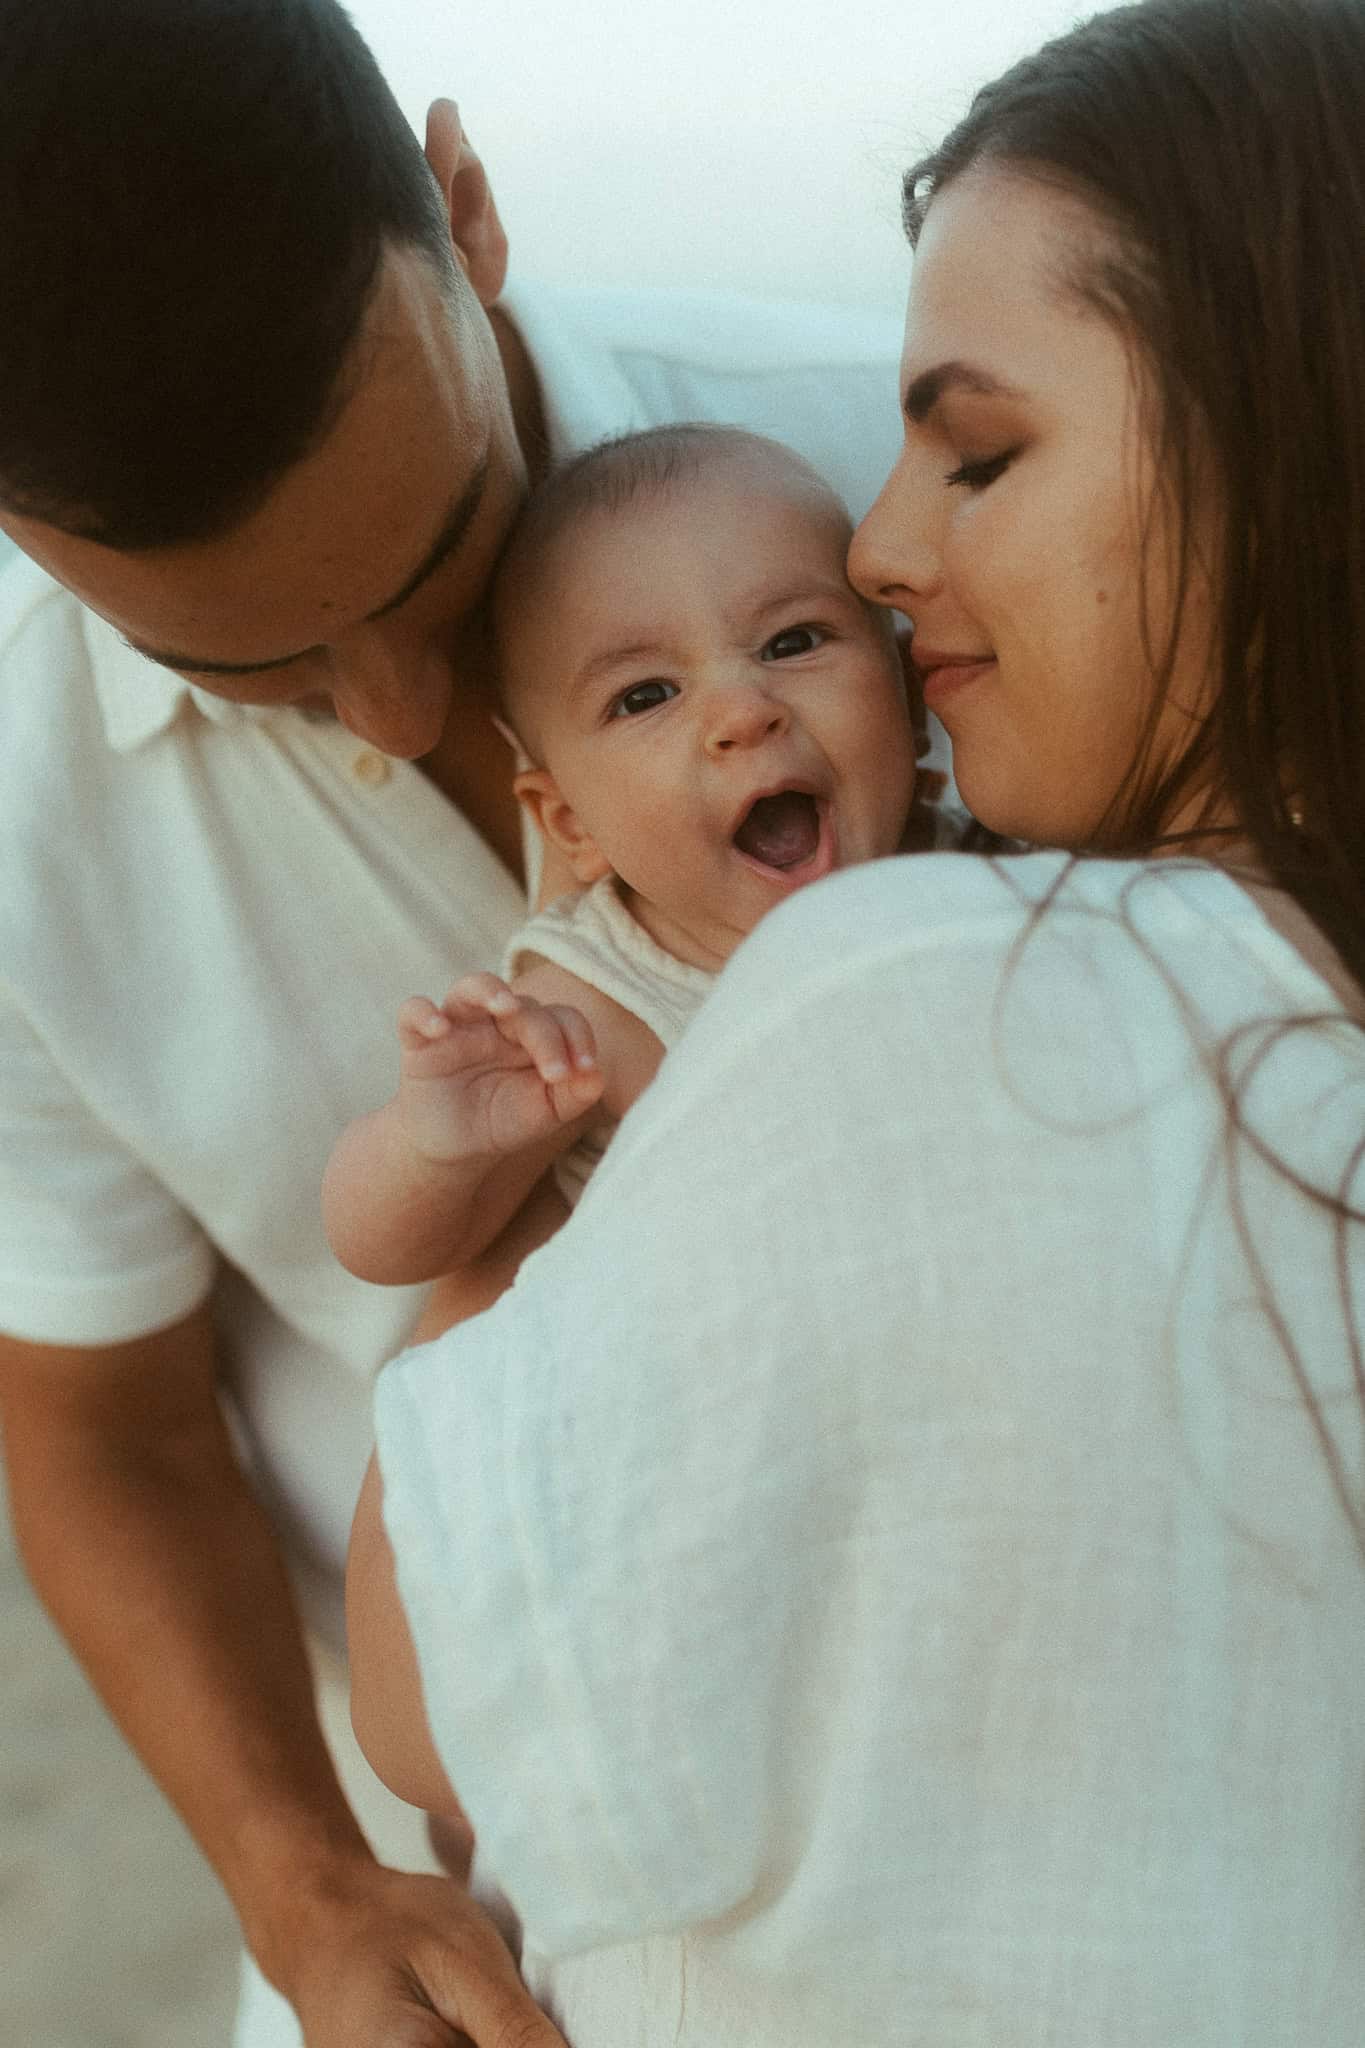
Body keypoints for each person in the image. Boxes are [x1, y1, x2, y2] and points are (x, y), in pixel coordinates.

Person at [348, 0, 1365, 2040]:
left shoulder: (918, 1007)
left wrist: (503, 1254)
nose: (884, 550)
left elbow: (426, 1695)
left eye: (979, 449)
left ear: (1288, 433)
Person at [0, 3, 910, 2044]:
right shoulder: (14, 813)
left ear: (470, 208)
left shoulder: (895, 468)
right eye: (257, 669)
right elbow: (103, 1423)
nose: (409, 715)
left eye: (436, 558)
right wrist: (309, 1888)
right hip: (475, 1873)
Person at [323, 424, 916, 1313]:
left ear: (907, 697)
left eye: (792, 641)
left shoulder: (995, 870)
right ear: (572, 824)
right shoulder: (602, 1009)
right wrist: (433, 1146)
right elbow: (384, 1247)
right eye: (646, 695)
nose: (742, 713)